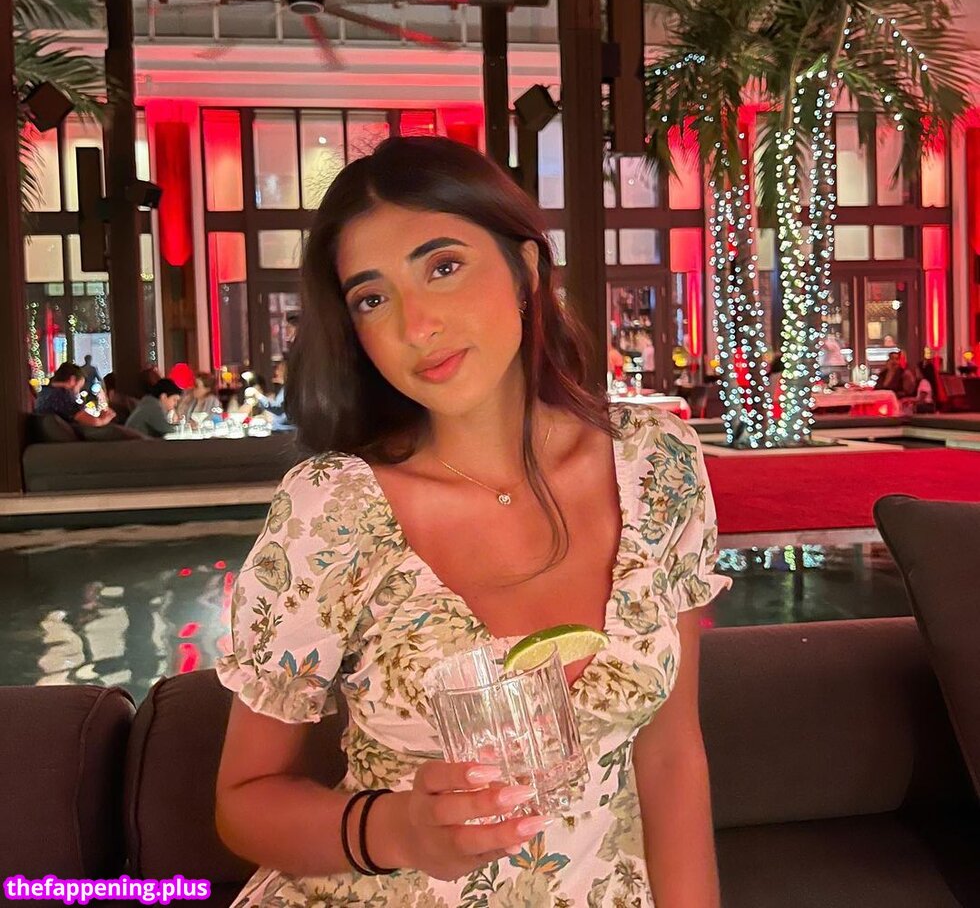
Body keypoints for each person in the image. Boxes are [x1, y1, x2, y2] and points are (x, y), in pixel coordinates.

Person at [213, 137, 729, 907]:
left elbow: (672, 758)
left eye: (444, 266)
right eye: (372, 298)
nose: (416, 325)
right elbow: (242, 802)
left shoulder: (658, 464)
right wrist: (400, 831)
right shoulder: (334, 512)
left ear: (526, 268)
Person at [34, 362, 116, 429]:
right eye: (79, 387)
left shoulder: (44, 392)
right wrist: (105, 419)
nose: (77, 392)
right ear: (72, 380)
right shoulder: (63, 396)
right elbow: (93, 422)